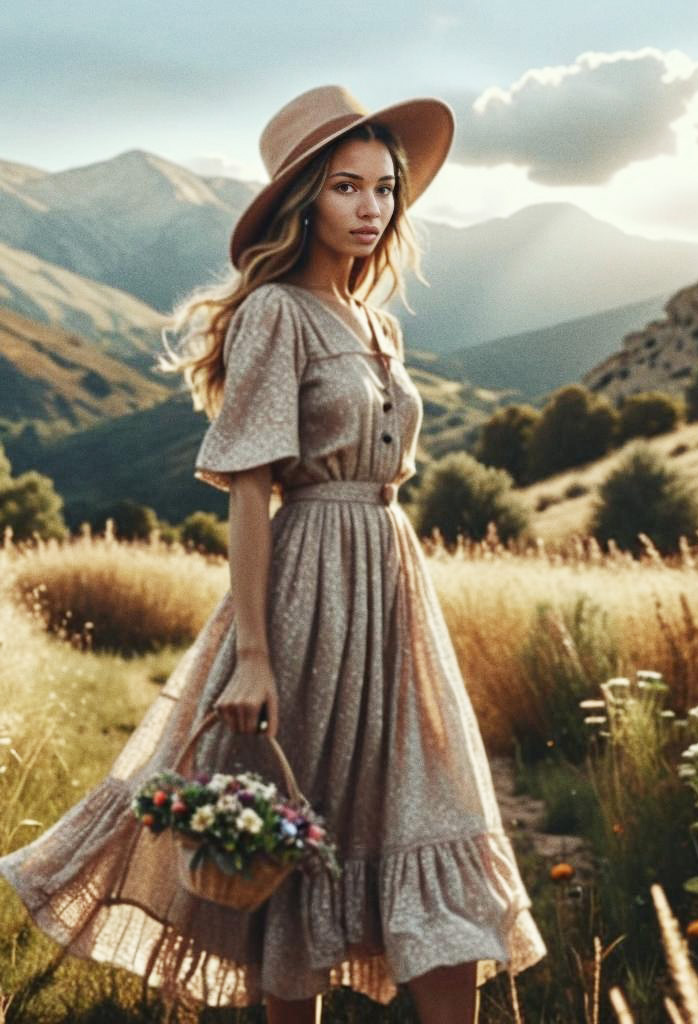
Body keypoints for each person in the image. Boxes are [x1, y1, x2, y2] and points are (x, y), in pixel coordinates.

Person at [0, 85, 547, 1024]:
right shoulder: (275, 315)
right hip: (307, 588)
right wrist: (254, 653)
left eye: (384, 187)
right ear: (305, 202)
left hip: (391, 586)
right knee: (293, 844)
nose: (371, 208)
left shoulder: (380, 324)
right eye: (346, 187)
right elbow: (253, 491)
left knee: (433, 815)